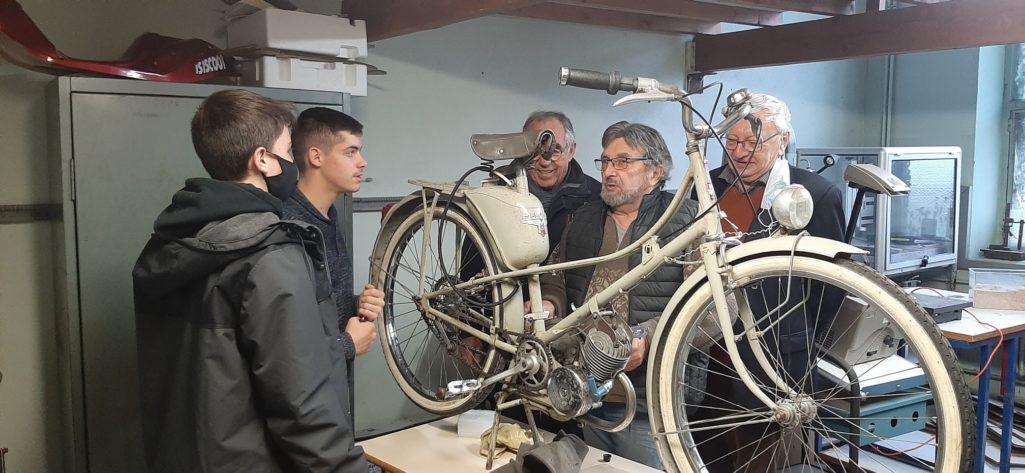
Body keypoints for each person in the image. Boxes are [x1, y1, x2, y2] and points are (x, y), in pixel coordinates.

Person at [133, 90, 370, 473]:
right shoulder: (273, 256)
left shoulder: (168, 242)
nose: (292, 162)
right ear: (263, 159)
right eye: (288, 151)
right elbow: (300, 404)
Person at [692, 92, 845, 472]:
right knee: (702, 454)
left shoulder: (814, 195)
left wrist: (801, 339)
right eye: (732, 140)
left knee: (760, 459)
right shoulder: (708, 187)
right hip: (706, 353)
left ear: (783, 141)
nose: (741, 151)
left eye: (753, 141)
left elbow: (831, 288)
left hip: (773, 357)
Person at [537, 121, 699, 469]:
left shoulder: (685, 219)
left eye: (622, 162)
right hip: (586, 393)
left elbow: (717, 308)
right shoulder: (583, 218)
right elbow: (554, 276)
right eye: (606, 161)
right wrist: (549, 303)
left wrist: (650, 337)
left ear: (654, 172)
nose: (609, 171)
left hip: (650, 404)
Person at [283, 107, 384, 419]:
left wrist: (355, 305)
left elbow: (320, 310)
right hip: (303, 408)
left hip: (330, 392)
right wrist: (347, 344)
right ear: (316, 156)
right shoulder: (289, 227)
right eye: (350, 151)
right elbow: (285, 348)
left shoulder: (328, 217)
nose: (362, 162)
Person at [522, 111, 602, 254]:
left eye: (554, 151)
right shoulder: (499, 194)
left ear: (571, 151)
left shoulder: (597, 198)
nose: (545, 162)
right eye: (535, 151)